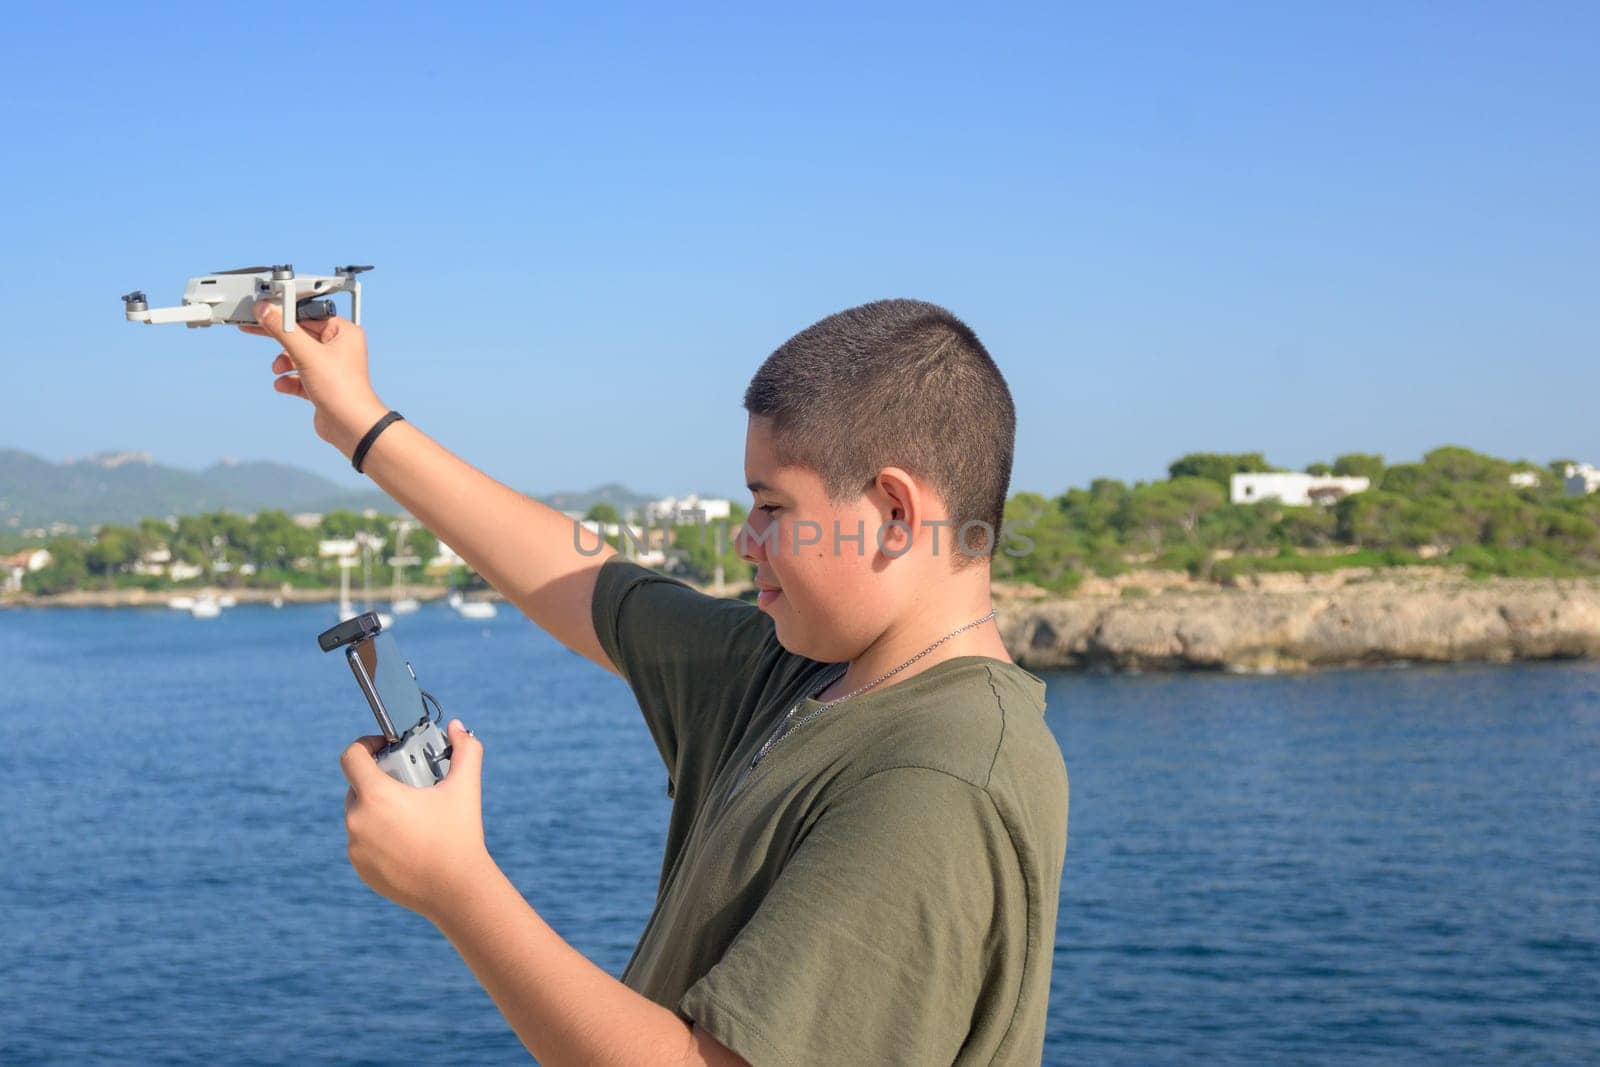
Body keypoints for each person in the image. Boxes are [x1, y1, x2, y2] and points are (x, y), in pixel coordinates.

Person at [242, 296, 1069, 1065]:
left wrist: (459, 888)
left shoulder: (941, 778)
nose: (745, 540)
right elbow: (589, 582)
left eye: (771, 507)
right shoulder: (796, 667)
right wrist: (360, 421)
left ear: (894, 512)